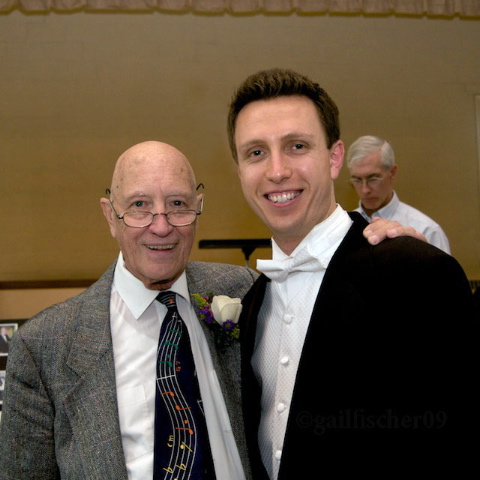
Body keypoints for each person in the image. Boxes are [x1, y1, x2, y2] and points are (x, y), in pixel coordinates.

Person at [227, 68, 475, 479]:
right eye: (255, 152)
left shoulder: (418, 275)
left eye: (297, 146)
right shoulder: (251, 304)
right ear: (239, 170)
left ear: (334, 157)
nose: (276, 171)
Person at [0, 141, 258, 480]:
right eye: (139, 205)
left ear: (198, 208)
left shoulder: (245, 290)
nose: (162, 226)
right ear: (110, 215)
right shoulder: (44, 346)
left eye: (178, 204)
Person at [347, 135, 451, 253]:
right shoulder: (344, 227)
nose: (365, 189)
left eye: (373, 178)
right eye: (357, 180)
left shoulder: (427, 230)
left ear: (392, 172)